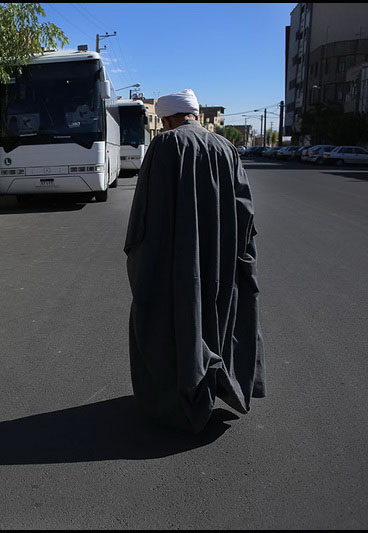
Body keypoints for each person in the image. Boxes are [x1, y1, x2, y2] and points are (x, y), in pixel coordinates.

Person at [124, 88, 266, 434]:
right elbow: (244, 210)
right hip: (221, 254)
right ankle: (218, 385)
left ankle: (177, 402)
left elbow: (146, 211)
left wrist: (141, 254)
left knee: (172, 319)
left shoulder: (165, 145)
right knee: (218, 318)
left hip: (175, 257)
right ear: (196, 115)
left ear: (169, 119)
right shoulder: (227, 148)